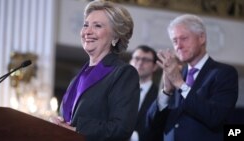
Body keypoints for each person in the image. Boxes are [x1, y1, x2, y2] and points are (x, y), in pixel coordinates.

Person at [50, 1, 140, 141]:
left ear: (115, 37)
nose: (87, 31)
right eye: (86, 25)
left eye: (97, 26)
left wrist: (75, 129)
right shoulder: (77, 78)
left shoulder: (123, 73)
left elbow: (121, 129)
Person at [146, 14, 238, 141]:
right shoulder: (176, 75)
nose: (178, 46)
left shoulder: (223, 73)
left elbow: (215, 117)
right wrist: (167, 91)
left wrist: (180, 84)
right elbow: (151, 124)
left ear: (201, 38)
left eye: (184, 38)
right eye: (174, 41)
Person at [129, 45, 159, 141]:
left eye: (146, 60)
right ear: (130, 62)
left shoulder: (160, 96)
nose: (140, 63)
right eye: (136, 58)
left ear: (155, 66)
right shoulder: (116, 90)